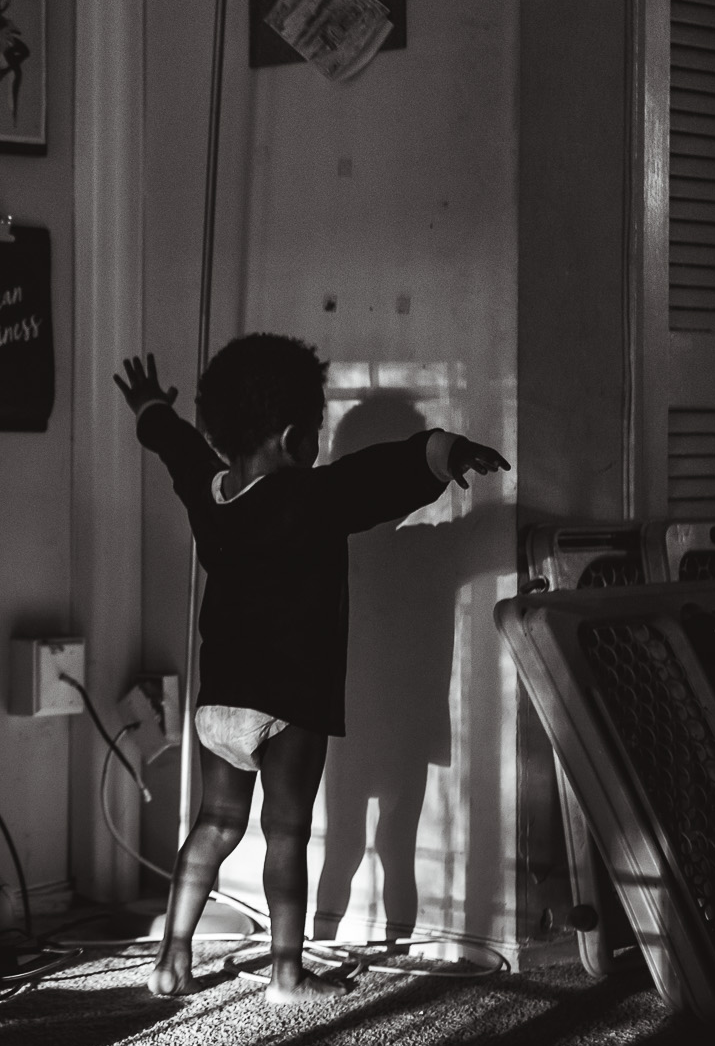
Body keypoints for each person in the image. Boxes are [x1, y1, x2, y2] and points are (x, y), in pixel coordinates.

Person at [112, 337, 508, 1006]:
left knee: (214, 823)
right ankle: (287, 975)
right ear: (298, 437)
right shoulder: (311, 496)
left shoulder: (211, 492)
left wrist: (151, 405)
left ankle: (171, 960)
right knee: (287, 832)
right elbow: (381, 477)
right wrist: (445, 451)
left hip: (220, 708)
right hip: (289, 701)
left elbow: (174, 445)